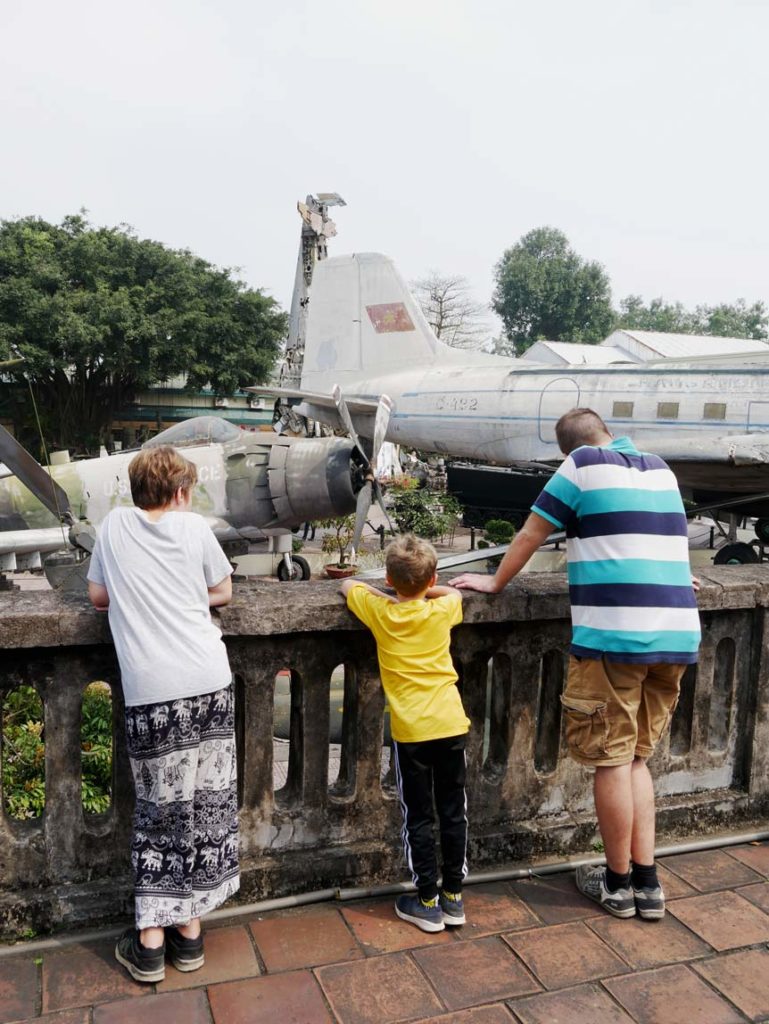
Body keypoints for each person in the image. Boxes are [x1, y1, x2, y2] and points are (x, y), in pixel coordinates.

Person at [450, 409, 700, 920]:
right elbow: (665, 542)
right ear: (608, 431)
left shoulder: (581, 465)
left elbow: (530, 533)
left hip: (616, 639)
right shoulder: (660, 467)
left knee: (611, 758)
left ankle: (616, 884)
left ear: (568, 448)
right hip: (676, 631)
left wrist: (495, 583)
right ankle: (647, 886)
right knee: (635, 759)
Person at [87, 446, 238, 982]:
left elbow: (98, 596)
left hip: (154, 691)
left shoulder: (111, 528)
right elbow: (223, 590)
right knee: (203, 804)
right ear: (178, 492)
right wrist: (184, 592)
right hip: (209, 681)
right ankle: (189, 934)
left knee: (159, 810)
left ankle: (151, 942)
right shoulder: (193, 528)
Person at [340, 534, 469, 932]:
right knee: (453, 810)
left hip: (411, 730)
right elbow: (455, 595)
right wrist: (434, 586)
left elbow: (347, 585)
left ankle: (426, 898)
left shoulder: (381, 612)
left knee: (418, 813)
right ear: (431, 579)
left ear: (392, 580)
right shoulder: (442, 609)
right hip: (450, 721)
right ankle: (453, 895)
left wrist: (384, 590)